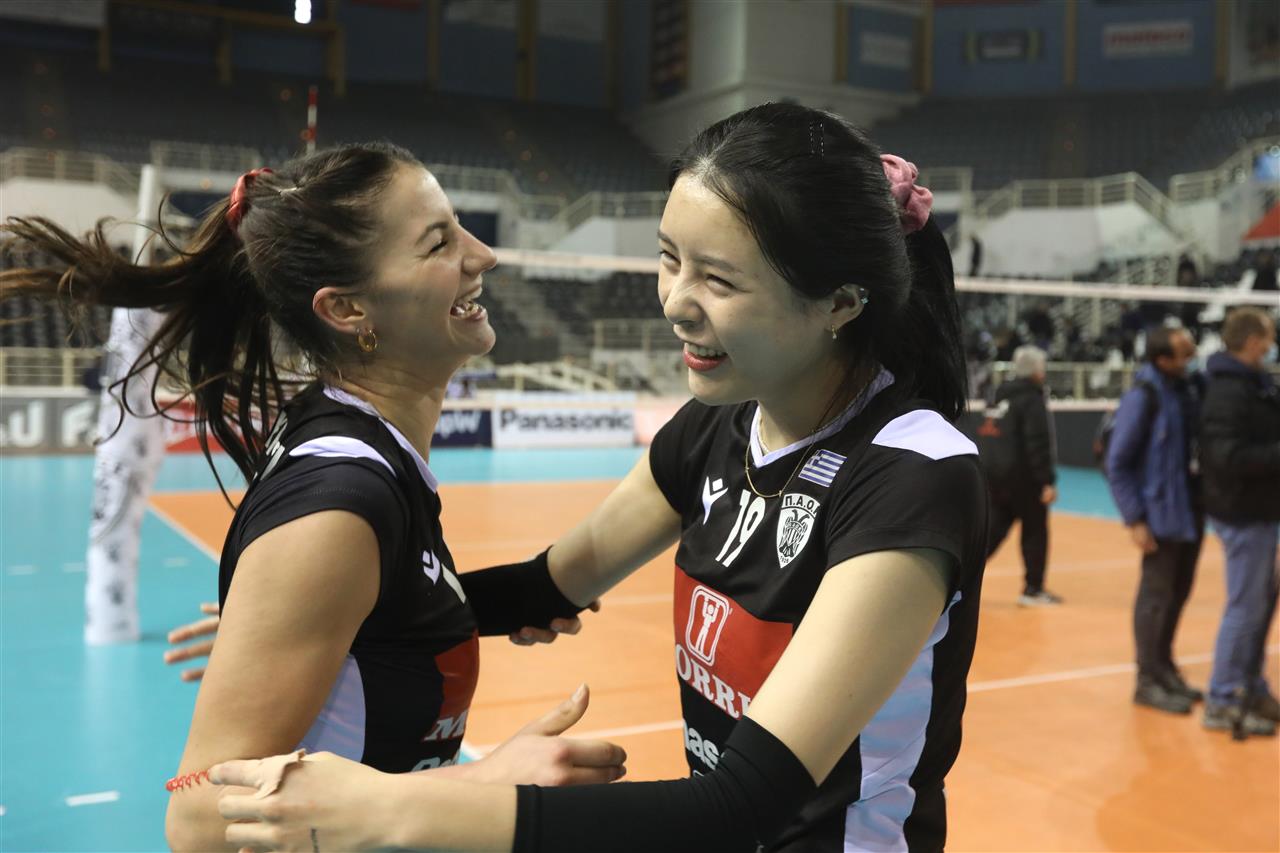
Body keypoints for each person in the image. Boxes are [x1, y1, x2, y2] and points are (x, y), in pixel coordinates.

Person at [209, 104, 988, 853]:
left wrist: (387, 808)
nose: (675, 303)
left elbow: (737, 806)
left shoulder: (911, 477)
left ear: (839, 303)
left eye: (719, 280)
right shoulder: (714, 428)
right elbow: (548, 584)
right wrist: (325, 620)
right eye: (670, 258)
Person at [0, 142, 626, 853]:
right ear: (348, 308)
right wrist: (484, 782)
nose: (483, 255)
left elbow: (382, 609)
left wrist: (313, 627)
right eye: (439, 243)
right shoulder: (338, 508)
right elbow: (199, 817)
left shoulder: (359, 445)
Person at [1104, 325, 1205, 714]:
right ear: (1163, 359)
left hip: (1190, 508)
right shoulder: (1143, 396)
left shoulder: (1186, 389)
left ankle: (1164, 668)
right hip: (1160, 514)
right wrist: (1135, 519)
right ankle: (1146, 681)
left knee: (1178, 593)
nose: (1192, 357)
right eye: (1184, 352)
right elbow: (1118, 462)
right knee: (1155, 598)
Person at [1200, 307, 1280, 736]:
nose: (1271, 345)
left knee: (1257, 607)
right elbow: (1227, 457)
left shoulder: (1251, 383)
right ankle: (1222, 698)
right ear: (1252, 340)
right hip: (1243, 513)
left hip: (1258, 511)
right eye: (1267, 337)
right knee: (1245, 609)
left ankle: (1250, 685)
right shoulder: (1228, 391)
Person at [976, 345, 1062, 606]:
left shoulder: (996, 396)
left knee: (992, 532)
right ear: (1037, 371)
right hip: (1024, 479)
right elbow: (1037, 442)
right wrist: (1046, 481)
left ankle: (956, 579)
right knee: (1035, 531)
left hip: (993, 476)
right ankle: (1033, 589)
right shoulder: (1031, 400)